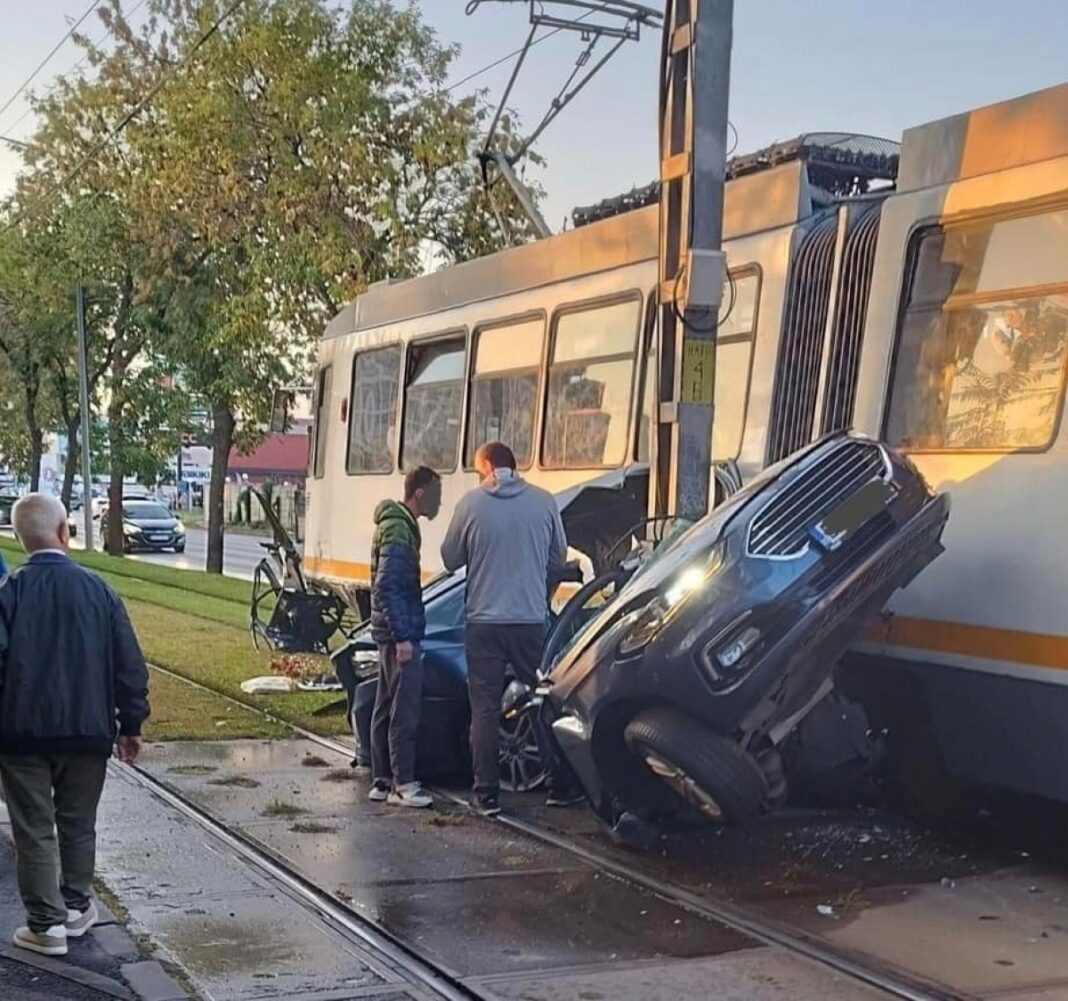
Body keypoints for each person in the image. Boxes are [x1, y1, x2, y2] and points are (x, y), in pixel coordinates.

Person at [0, 494, 149, 957]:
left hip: (21, 734)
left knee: (34, 828)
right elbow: (130, 666)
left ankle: (47, 926)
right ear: (66, 531)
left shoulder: (10, 592)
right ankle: (77, 905)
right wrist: (131, 724)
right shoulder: (99, 590)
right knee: (78, 821)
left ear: (21, 539)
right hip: (88, 733)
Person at [441, 442, 579, 816]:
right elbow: (558, 557)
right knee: (540, 700)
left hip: (483, 622)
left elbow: (450, 558)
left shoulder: (471, 504)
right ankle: (559, 784)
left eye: (476, 470)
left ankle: (486, 793)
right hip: (530, 620)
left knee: (484, 707)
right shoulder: (544, 502)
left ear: (486, 466)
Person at [368, 466, 442, 809]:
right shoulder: (399, 527)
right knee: (404, 708)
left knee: (385, 704)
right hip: (399, 631)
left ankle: (382, 780)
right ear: (421, 492)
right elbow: (389, 584)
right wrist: (403, 637)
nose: (441, 501)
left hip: (387, 629)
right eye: (437, 492)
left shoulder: (395, 523)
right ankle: (404, 783)